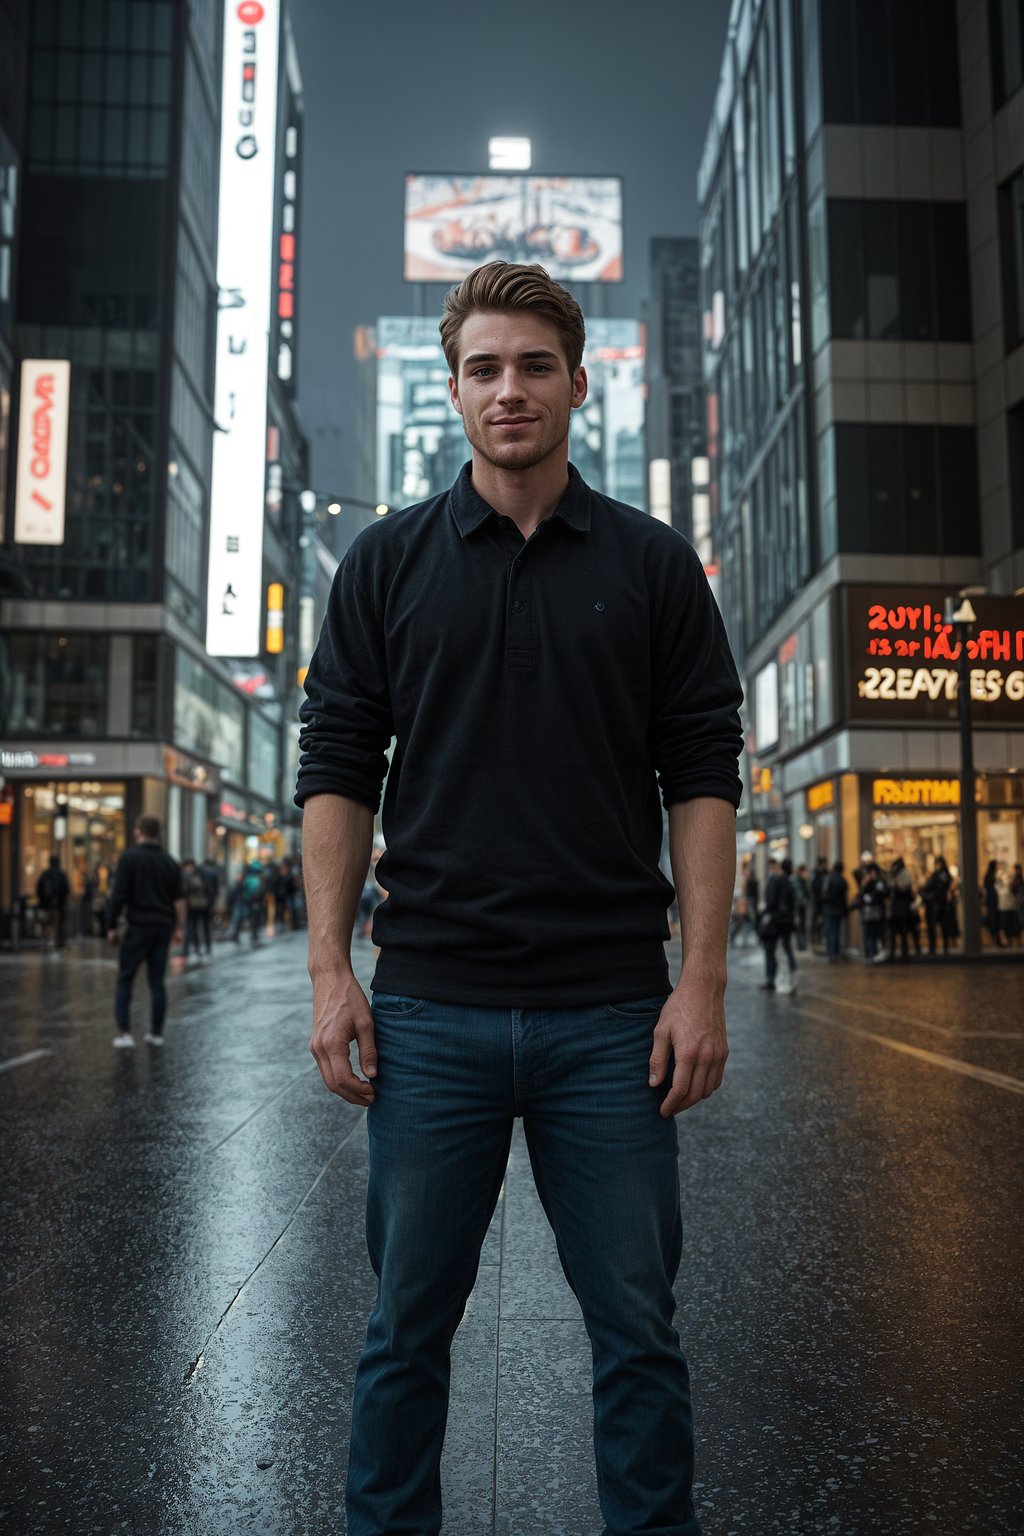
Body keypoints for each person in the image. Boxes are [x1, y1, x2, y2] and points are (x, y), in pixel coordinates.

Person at [295, 261, 744, 1536]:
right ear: (450, 392)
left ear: (577, 383)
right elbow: (336, 764)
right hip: (428, 1008)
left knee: (639, 1337)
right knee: (401, 1337)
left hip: (612, 1016)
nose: (510, 390)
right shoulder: (382, 564)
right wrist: (333, 973)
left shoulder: (656, 568)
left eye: (534, 365)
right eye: (484, 368)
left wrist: (700, 983)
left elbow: (702, 771)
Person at [106, 815, 186, 1047]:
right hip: (163, 928)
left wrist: (111, 926)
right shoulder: (170, 861)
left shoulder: (130, 859)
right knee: (156, 981)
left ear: (139, 831)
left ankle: (124, 1033)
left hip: (139, 926)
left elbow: (118, 895)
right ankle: (156, 1033)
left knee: (125, 978)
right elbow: (179, 900)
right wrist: (179, 928)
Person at [759, 856, 797, 991]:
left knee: (771, 949)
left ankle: (772, 978)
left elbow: (771, 901)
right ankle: (791, 978)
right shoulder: (789, 881)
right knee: (787, 949)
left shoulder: (775, 880)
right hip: (786, 921)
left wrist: (766, 914)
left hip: (776, 921)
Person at [35, 853, 70, 955]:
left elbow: (39, 890)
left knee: (47, 925)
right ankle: (58, 944)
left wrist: (42, 903)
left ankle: (46, 943)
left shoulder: (45, 874)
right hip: (59, 906)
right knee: (59, 925)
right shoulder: (62, 874)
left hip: (46, 906)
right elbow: (66, 890)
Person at [888, 856, 919, 961]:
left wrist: (895, 884)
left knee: (904, 931)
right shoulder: (896, 874)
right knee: (897, 932)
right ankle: (897, 953)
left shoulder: (903, 874)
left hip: (903, 907)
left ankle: (904, 953)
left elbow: (903, 888)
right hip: (898, 907)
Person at [858, 860, 889, 963]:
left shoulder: (879, 881)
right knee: (869, 934)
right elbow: (862, 895)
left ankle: (875, 954)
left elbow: (882, 894)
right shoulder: (868, 882)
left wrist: (870, 898)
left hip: (876, 912)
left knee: (875, 934)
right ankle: (870, 954)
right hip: (868, 913)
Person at [181, 857, 212, 958]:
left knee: (204, 926)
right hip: (192, 906)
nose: (189, 869)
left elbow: (208, 889)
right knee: (192, 927)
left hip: (203, 905)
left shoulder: (201, 875)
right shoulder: (185, 876)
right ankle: (196, 948)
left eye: (190, 867)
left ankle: (207, 947)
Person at [822, 861, 848, 961]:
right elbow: (844, 896)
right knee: (835, 932)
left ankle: (831, 953)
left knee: (831, 932)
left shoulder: (829, 879)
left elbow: (824, 895)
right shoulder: (841, 880)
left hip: (830, 909)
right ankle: (835, 953)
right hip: (838, 909)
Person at [810, 855, 828, 949]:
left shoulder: (825, 873)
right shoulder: (816, 875)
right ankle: (816, 940)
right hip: (818, 903)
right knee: (817, 922)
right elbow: (814, 889)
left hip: (823, 903)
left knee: (822, 923)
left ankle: (820, 940)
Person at [792, 861, 810, 951]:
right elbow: (800, 895)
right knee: (799, 926)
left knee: (802, 926)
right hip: (798, 908)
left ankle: (802, 944)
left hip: (801, 908)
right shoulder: (797, 881)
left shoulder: (803, 881)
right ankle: (800, 944)